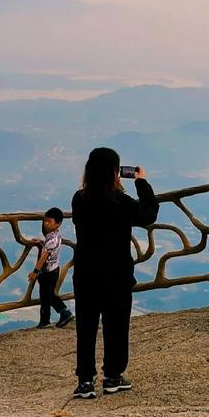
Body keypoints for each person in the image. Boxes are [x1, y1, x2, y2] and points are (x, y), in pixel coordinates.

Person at [71, 149, 159, 399]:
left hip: (86, 272)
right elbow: (149, 214)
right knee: (116, 325)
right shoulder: (121, 202)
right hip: (116, 273)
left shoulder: (79, 199)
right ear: (114, 172)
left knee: (86, 326)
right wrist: (141, 182)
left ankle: (85, 381)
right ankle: (112, 376)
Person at [32, 208, 74, 329]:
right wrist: (41, 243)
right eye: (45, 221)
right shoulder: (55, 235)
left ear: (58, 223)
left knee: (49, 296)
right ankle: (44, 321)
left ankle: (64, 312)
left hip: (47, 272)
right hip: (54, 270)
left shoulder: (51, 238)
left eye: (49, 221)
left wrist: (35, 271)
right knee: (46, 296)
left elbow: (44, 256)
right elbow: (49, 248)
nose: (46, 223)